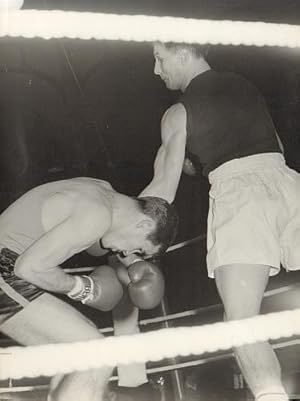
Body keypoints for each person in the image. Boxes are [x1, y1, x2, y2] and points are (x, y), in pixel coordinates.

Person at [140, 41, 300, 401]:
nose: (155, 69)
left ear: (183, 53)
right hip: (289, 185)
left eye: (159, 58)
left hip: (241, 198)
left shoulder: (178, 113)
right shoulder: (244, 84)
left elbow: (163, 189)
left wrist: (116, 223)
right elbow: (274, 147)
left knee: (241, 324)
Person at [0, 176, 178, 401]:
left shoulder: (102, 191)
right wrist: (82, 289)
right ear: (143, 225)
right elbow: (28, 269)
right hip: (7, 270)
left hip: (7, 267)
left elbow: (97, 238)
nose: (127, 253)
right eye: (139, 249)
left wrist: (132, 264)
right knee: (95, 353)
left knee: (71, 357)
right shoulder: (97, 215)